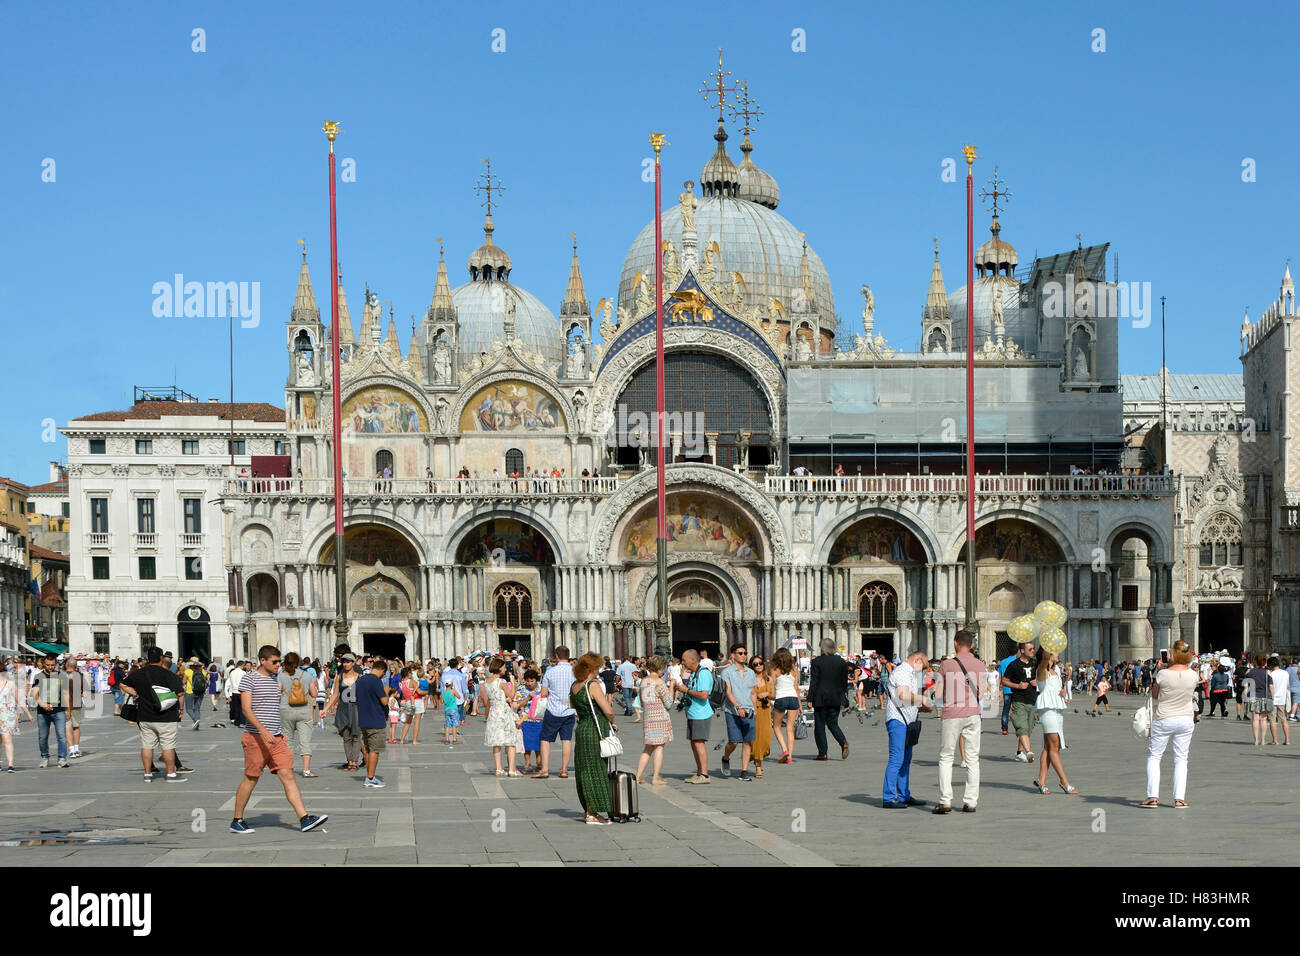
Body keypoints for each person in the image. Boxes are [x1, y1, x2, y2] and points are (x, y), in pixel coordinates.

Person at [228, 645, 328, 834]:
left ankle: (304, 818)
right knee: (251, 778)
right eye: (274, 662)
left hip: (276, 738)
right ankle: (237, 819)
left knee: (288, 775)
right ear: (262, 661)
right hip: (256, 737)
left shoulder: (275, 678)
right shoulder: (249, 678)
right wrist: (262, 731)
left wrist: (277, 732)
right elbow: (246, 709)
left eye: (279, 661)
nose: (278, 665)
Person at [1142, 640, 1198, 809]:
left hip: (1164, 718)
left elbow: (1155, 696)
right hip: (1185, 719)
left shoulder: (1163, 674)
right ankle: (1179, 799)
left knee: (1155, 756)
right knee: (1181, 759)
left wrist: (1160, 670)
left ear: (1172, 654)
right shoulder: (1193, 675)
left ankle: (1152, 797)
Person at [934, 630, 984, 814]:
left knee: (946, 757)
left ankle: (945, 800)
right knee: (973, 759)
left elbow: (938, 694)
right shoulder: (980, 665)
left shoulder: (946, 664)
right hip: (973, 714)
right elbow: (983, 691)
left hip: (952, 714)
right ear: (971, 645)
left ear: (955, 643)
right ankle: (971, 802)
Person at [121, 646, 185, 781]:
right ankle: (170, 774)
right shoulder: (168, 674)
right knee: (168, 745)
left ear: (148, 659)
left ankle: (147, 774)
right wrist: (181, 709)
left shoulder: (139, 673)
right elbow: (180, 694)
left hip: (145, 716)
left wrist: (135, 693)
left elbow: (122, 684)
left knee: (147, 745)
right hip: (166, 716)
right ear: (161, 658)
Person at [570, 651, 616, 824]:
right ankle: (592, 813)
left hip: (582, 729)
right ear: (592, 668)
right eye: (597, 668)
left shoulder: (575, 686)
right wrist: (611, 721)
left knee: (584, 770)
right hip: (595, 731)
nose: (599, 671)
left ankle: (588, 810)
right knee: (596, 770)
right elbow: (608, 710)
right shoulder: (592, 685)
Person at [882, 650, 931, 808]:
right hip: (898, 720)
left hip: (908, 720)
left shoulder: (910, 674)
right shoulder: (902, 671)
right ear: (917, 659)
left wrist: (922, 707)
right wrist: (923, 698)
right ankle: (888, 798)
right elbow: (903, 695)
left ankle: (903, 795)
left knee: (906, 760)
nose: (922, 670)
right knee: (896, 759)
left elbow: (908, 700)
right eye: (923, 666)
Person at [1031, 648, 1077, 795]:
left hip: (1057, 709)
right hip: (1047, 709)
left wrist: (1062, 692)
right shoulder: (1041, 669)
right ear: (1048, 655)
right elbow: (1043, 685)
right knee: (1054, 745)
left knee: (1049, 747)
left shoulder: (1055, 670)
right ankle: (1064, 782)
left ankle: (1041, 780)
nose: (1058, 655)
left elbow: (1055, 688)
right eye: (1055, 652)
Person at [532, 647, 576, 779]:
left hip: (552, 709)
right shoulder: (575, 672)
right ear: (568, 656)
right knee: (566, 740)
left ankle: (545, 770)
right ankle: (564, 770)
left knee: (545, 739)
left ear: (556, 656)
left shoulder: (550, 672)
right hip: (569, 710)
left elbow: (544, 693)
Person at [673, 649, 714, 783]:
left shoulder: (703, 674)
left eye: (684, 660)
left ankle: (705, 774)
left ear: (693, 660)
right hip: (693, 713)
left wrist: (686, 690)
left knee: (699, 743)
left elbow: (703, 695)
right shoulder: (693, 674)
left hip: (701, 714)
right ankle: (699, 772)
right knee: (694, 743)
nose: (683, 663)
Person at [719, 643, 757, 780]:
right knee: (734, 741)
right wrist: (738, 707)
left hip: (749, 711)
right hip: (732, 711)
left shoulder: (751, 672)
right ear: (733, 655)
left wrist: (755, 709)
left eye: (745, 653)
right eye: (740, 653)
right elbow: (728, 691)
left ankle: (744, 771)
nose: (744, 655)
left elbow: (753, 692)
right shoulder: (726, 672)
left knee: (747, 742)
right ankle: (726, 757)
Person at [807, 638, 849, 761]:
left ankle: (823, 753)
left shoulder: (817, 662)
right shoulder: (841, 662)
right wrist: (842, 696)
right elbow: (844, 682)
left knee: (820, 725)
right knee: (832, 723)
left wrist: (810, 698)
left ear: (823, 648)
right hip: (835, 697)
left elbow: (814, 682)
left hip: (820, 697)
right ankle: (843, 741)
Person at [278, 653, 318, 777]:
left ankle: (288, 768)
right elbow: (314, 694)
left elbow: (277, 693)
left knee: (287, 740)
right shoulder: (306, 675)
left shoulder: (281, 676)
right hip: (304, 710)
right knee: (305, 741)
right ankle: (306, 770)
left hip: (286, 710)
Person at [634, 656, 673, 785]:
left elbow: (641, 699)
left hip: (648, 717)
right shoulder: (660, 682)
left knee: (648, 748)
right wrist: (671, 686)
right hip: (660, 718)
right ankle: (656, 776)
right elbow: (669, 703)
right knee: (659, 747)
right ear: (661, 668)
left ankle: (638, 775)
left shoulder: (644, 682)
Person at [354, 658, 391, 788]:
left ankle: (370, 776)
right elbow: (384, 701)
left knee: (369, 750)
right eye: (384, 673)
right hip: (375, 720)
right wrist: (387, 691)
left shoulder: (360, 680)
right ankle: (370, 778)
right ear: (382, 670)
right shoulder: (376, 681)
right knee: (375, 750)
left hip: (363, 719)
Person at [322, 654, 362, 772]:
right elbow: (335, 694)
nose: (346, 664)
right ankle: (349, 761)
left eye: (348, 662)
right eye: (344, 662)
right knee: (346, 736)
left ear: (353, 663)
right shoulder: (339, 676)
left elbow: (364, 693)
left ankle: (354, 762)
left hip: (356, 708)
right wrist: (326, 708)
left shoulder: (360, 677)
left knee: (356, 735)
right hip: (343, 708)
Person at [482, 658, 521, 775]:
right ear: (499, 668)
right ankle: (511, 769)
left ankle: (498, 768)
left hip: (493, 712)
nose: (505, 669)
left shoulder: (487, 682)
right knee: (511, 741)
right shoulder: (501, 682)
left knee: (496, 742)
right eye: (503, 667)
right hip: (503, 713)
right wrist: (513, 682)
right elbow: (512, 695)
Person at [31, 653, 69, 769]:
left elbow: (66, 693)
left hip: (59, 710)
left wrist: (68, 710)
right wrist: (43, 705)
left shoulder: (62, 676)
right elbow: (35, 693)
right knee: (43, 737)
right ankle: (44, 757)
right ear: (44, 664)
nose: (50, 667)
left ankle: (62, 758)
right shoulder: (38, 676)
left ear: (56, 664)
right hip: (43, 712)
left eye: (52, 665)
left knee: (62, 736)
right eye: (48, 665)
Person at [1003, 641, 1038, 761]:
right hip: (1019, 700)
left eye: (1033, 649)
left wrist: (1037, 682)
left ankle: (1019, 753)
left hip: (1032, 700)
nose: (1033, 651)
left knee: (1027, 729)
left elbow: (1043, 676)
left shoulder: (1035, 663)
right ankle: (1029, 752)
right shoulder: (1014, 665)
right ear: (1022, 651)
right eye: (1030, 649)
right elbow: (1004, 681)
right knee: (1022, 727)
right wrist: (1018, 686)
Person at [0, 665, 33, 771]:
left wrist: (28, 714)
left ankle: (10, 764)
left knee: (7, 739)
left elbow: (20, 700)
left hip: (7, 715)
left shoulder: (11, 684)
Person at [770, 648, 800, 763]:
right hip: (793, 698)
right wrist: (800, 705)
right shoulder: (794, 670)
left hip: (780, 698)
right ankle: (790, 757)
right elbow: (796, 688)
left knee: (776, 726)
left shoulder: (775, 670)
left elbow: (772, 687)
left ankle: (784, 750)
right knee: (790, 728)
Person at [750, 653, 773, 778]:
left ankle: (755, 758)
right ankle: (758, 767)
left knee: (765, 739)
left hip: (766, 711)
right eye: (755, 664)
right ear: (752, 666)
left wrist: (766, 694)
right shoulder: (749, 678)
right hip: (755, 711)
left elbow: (774, 695)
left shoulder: (769, 678)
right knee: (756, 740)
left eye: (760, 663)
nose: (759, 666)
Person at [62, 656, 87, 758]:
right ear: (76, 666)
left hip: (63, 704)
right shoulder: (80, 676)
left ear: (66, 665)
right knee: (76, 726)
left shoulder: (60, 675)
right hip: (76, 704)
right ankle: (76, 749)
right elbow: (85, 692)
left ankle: (71, 750)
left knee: (67, 727)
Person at [1245, 653, 1272, 745]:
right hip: (1265, 696)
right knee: (1263, 719)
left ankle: (1256, 740)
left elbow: (1246, 686)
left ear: (1255, 661)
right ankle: (1263, 740)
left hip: (1253, 696)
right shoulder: (1267, 672)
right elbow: (1271, 686)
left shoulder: (1250, 672)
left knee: (1255, 719)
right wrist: (1273, 697)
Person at [1267, 656, 1291, 745]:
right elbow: (1288, 685)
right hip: (1282, 699)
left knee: (1272, 720)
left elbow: (1269, 687)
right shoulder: (1286, 673)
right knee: (1284, 720)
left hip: (1272, 699)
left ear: (1270, 665)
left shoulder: (1271, 674)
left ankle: (1275, 740)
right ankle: (1287, 739)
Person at [997, 650, 1016, 735]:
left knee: (1006, 708)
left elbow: (1000, 675)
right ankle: (1018, 726)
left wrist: (999, 685)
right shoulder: (1017, 661)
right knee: (1017, 708)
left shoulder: (1003, 662)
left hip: (1006, 688)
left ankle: (1004, 728)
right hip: (1016, 688)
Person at [184, 657, 205, 730]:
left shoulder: (187, 671)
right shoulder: (203, 671)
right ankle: (197, 724)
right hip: (200, 692)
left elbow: (183, 682)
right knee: (197, 709)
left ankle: (195, 720)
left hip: (190, 691)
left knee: (188, 709)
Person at [442, 680, 463, 745]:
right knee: (454, 724)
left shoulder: (443, 692)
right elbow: (459, 697)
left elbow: (442, 702)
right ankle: (454, 739)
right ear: (451, 684)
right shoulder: (452, 691)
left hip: (447, 710)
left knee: (447, 725)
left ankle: (447, 740)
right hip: (453, 709)